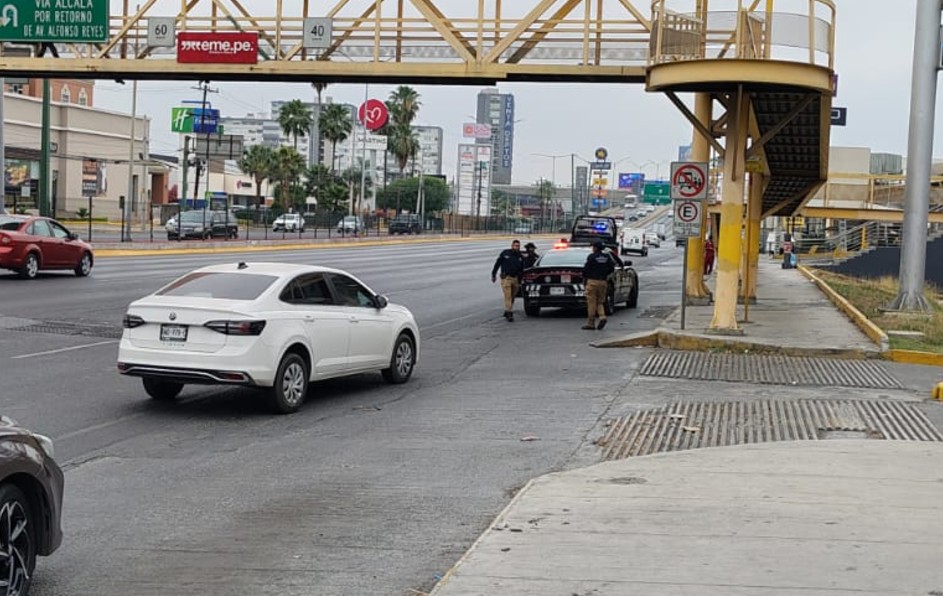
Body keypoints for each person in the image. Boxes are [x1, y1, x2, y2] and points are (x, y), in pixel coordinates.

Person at [582, 240, 616, 331]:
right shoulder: (606, 257)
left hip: (592, 281)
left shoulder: (591, 257)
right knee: (600, 302)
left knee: (591, 302)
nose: (592, 248)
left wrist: (585, 278)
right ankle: (602, 317)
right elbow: (611, 268)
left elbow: (586, 269)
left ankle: (591, 323)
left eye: (593, 247)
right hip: (603, 282)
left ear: (596, 248)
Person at [491, 239, 526, 321]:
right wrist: (493, 274)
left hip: (515, 279)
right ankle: (509, 313)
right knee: (508, 296)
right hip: (506, 278)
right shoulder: (505, 253)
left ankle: (507, 310)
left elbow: (522, 269)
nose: (516, 247)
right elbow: (497, 264)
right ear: (512, 246)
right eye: (515, 245)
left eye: (518, 246)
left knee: (513, 295)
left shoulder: (520, 257)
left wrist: (521, 280)